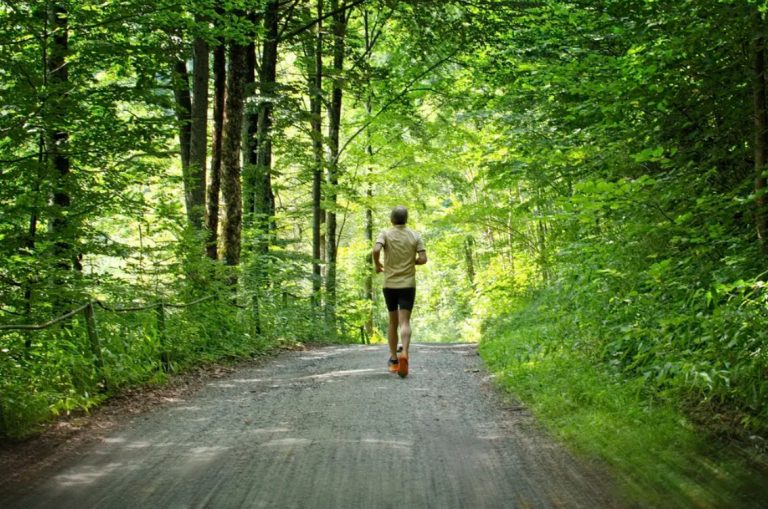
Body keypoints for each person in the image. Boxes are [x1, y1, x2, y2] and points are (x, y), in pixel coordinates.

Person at [372, 205, 427, 378]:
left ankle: (394, 359)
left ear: (391, 219)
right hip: (408, 284)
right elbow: (423, 259)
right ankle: (405, 353)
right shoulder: (415, 235)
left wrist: (377, 264)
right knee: (405, 322)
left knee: (393, 322)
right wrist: (412, 261)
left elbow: (376, 249)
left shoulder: (385, 233)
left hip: (390, 284)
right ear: (406, 219)